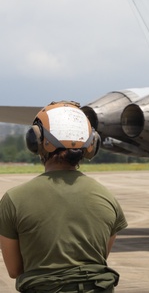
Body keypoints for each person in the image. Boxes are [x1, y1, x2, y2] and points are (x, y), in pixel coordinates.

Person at [0, 101, 128, 292]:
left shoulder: (13, 200)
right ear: (92, 144)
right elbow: (99, 258)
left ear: (35, 141)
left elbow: (15, 270)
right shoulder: (107, 198)